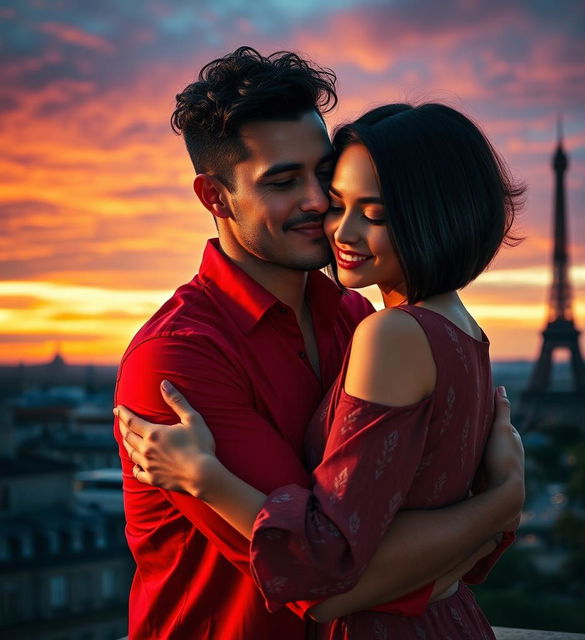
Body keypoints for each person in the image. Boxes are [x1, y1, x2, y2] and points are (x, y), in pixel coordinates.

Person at [114, 47, 524, 640]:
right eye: (283, 181)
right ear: (215, 198)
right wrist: (500, 506)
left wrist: (472, 531)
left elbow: (420, 528)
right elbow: (333, 582)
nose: (317, 202)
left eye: (323, 175)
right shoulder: (178, 359)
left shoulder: (362, 319)